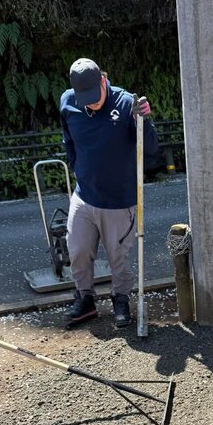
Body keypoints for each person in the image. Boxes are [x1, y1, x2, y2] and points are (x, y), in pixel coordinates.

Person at [60, 58, 159, 328]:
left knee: (118, 257)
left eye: (95, 96)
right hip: (84, 195)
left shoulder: (126, 104)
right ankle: (85, 299)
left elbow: (151, 150)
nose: (91, 104)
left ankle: (121, 299)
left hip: (119, 200)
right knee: (78, 250)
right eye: (86, 99)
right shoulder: (68, 102)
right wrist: (76, 167)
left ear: (103, 81)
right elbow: (68, 140)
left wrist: (144, 121)